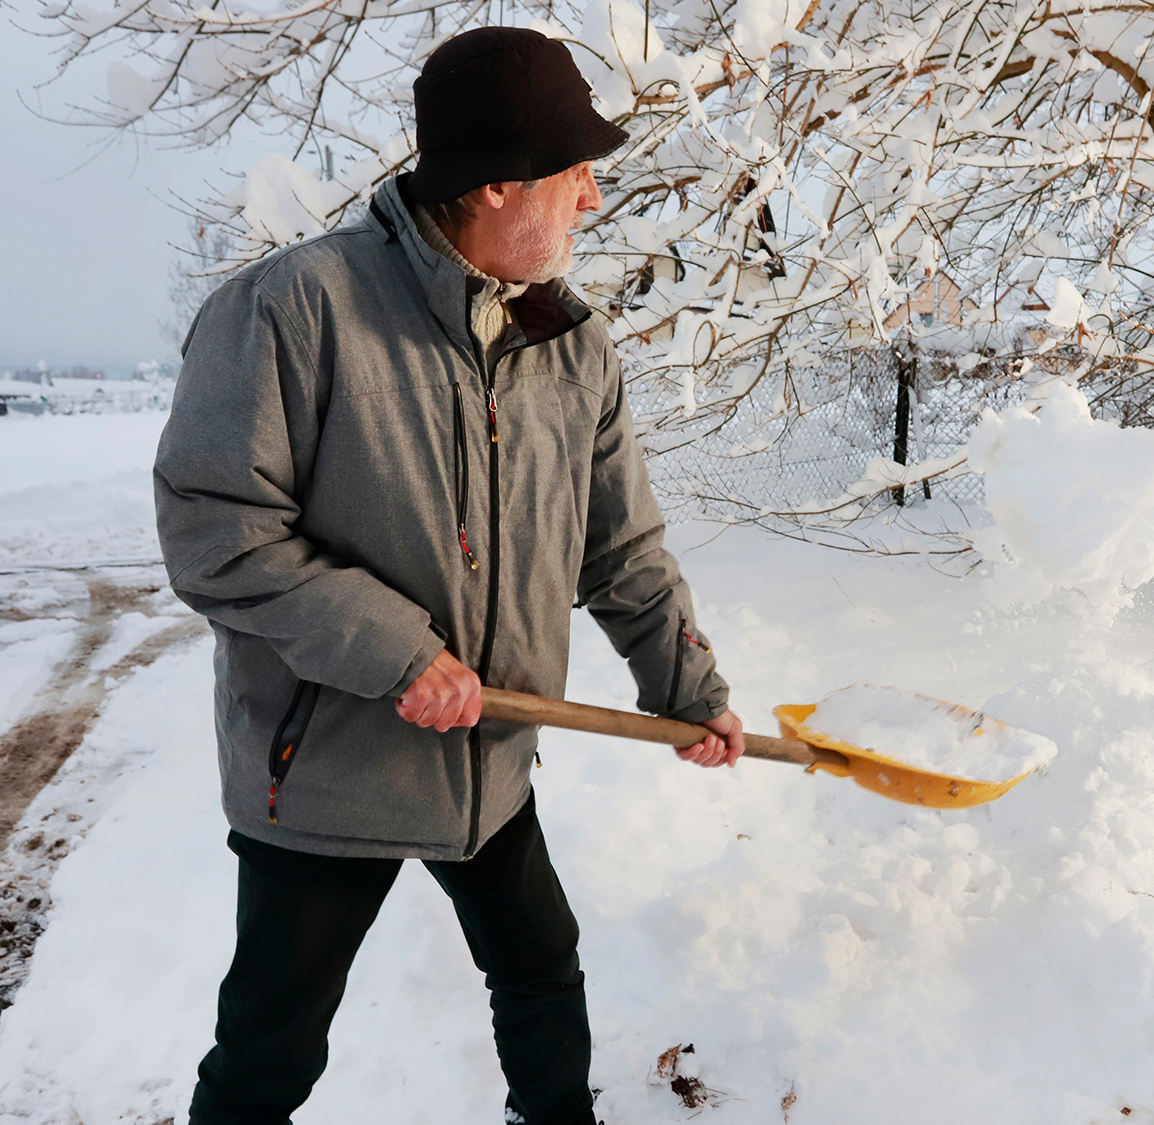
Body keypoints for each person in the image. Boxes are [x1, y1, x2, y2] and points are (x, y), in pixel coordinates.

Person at [152, 26, 745, 1125]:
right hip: (328, 767)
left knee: (541, 972)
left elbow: (618, 547)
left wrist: (687, 690)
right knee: (272, 1045)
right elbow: (219, 534)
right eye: (575, 178)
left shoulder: (568, 343)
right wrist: (397, 652)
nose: (591, 202)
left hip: (489, 766)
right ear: (492, 186)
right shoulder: (295, 309)